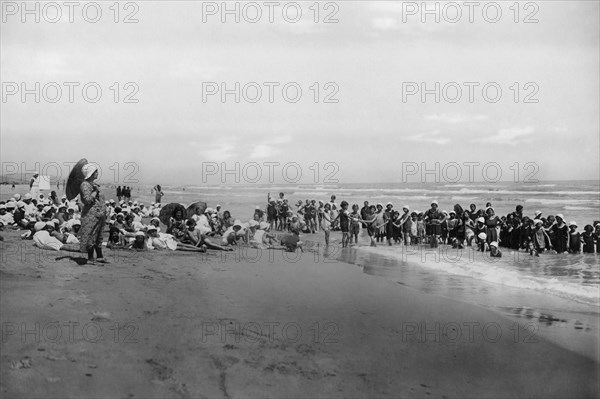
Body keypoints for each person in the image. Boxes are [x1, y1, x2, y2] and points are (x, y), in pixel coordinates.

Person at [79, 164, 109, 264]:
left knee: (99, 235)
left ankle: (99, 256)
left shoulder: (93, 184)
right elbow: (87, 200)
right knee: (91, 234)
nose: (97, 173)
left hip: (99, 214)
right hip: (91, 214)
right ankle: (90, 258)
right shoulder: (85, 184)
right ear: (90, 173)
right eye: (95, 171)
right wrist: (95, 192)